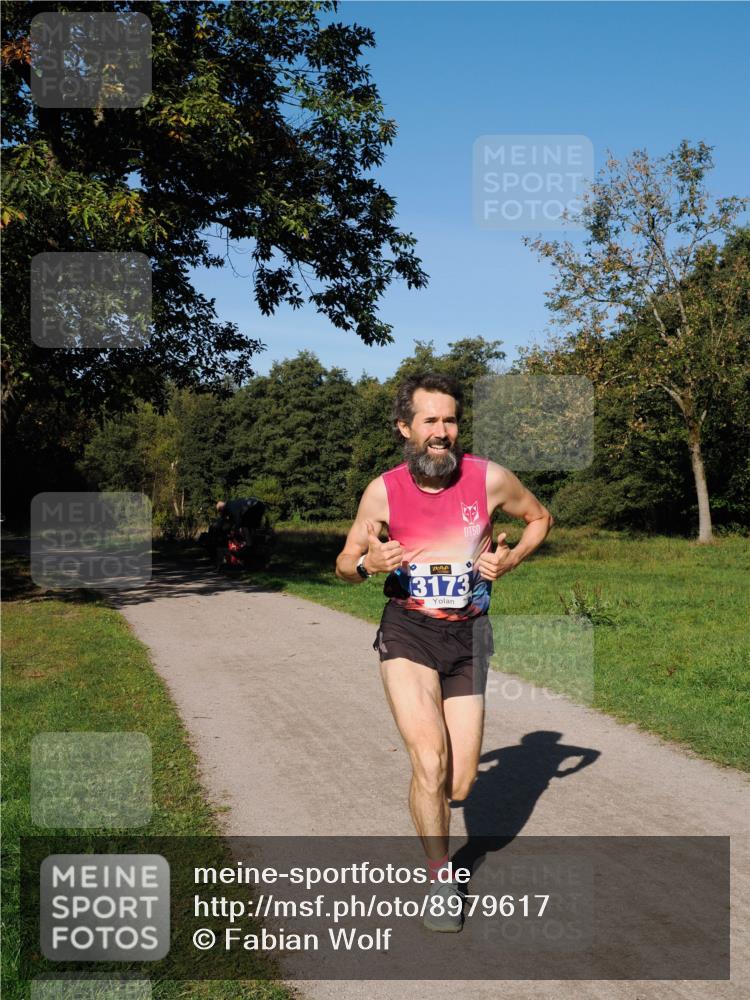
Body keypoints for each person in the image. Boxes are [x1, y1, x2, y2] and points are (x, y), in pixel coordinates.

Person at [335, 372, 554, 932]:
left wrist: (507, 562)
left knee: (459, 783)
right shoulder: (382, 491)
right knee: (429, 759)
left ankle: (432, 800)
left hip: (470, 635)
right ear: (405, 427)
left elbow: (539, 518)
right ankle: (439, 878)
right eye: (429, 421)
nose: (441, 432)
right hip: (408, 630)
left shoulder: (489, 479)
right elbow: (344, 564)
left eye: (450, 420)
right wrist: (368, 566)